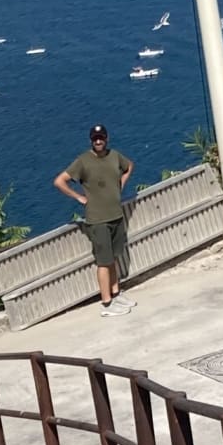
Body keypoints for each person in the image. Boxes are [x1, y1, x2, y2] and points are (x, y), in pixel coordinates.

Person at [54, 123, 135, 316]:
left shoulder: (115, 156)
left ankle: (116, 293)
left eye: (101, 138)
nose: (98, 141)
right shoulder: (83, 161)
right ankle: (106, 303)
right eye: (95, 139)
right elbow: (59, 181)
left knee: (113, 257)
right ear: (91, 140)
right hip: (98, 219)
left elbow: (129, 166)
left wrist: (120, 185)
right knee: (103, 261)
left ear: (106, 138)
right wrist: (79, 197)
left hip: (116, 215)